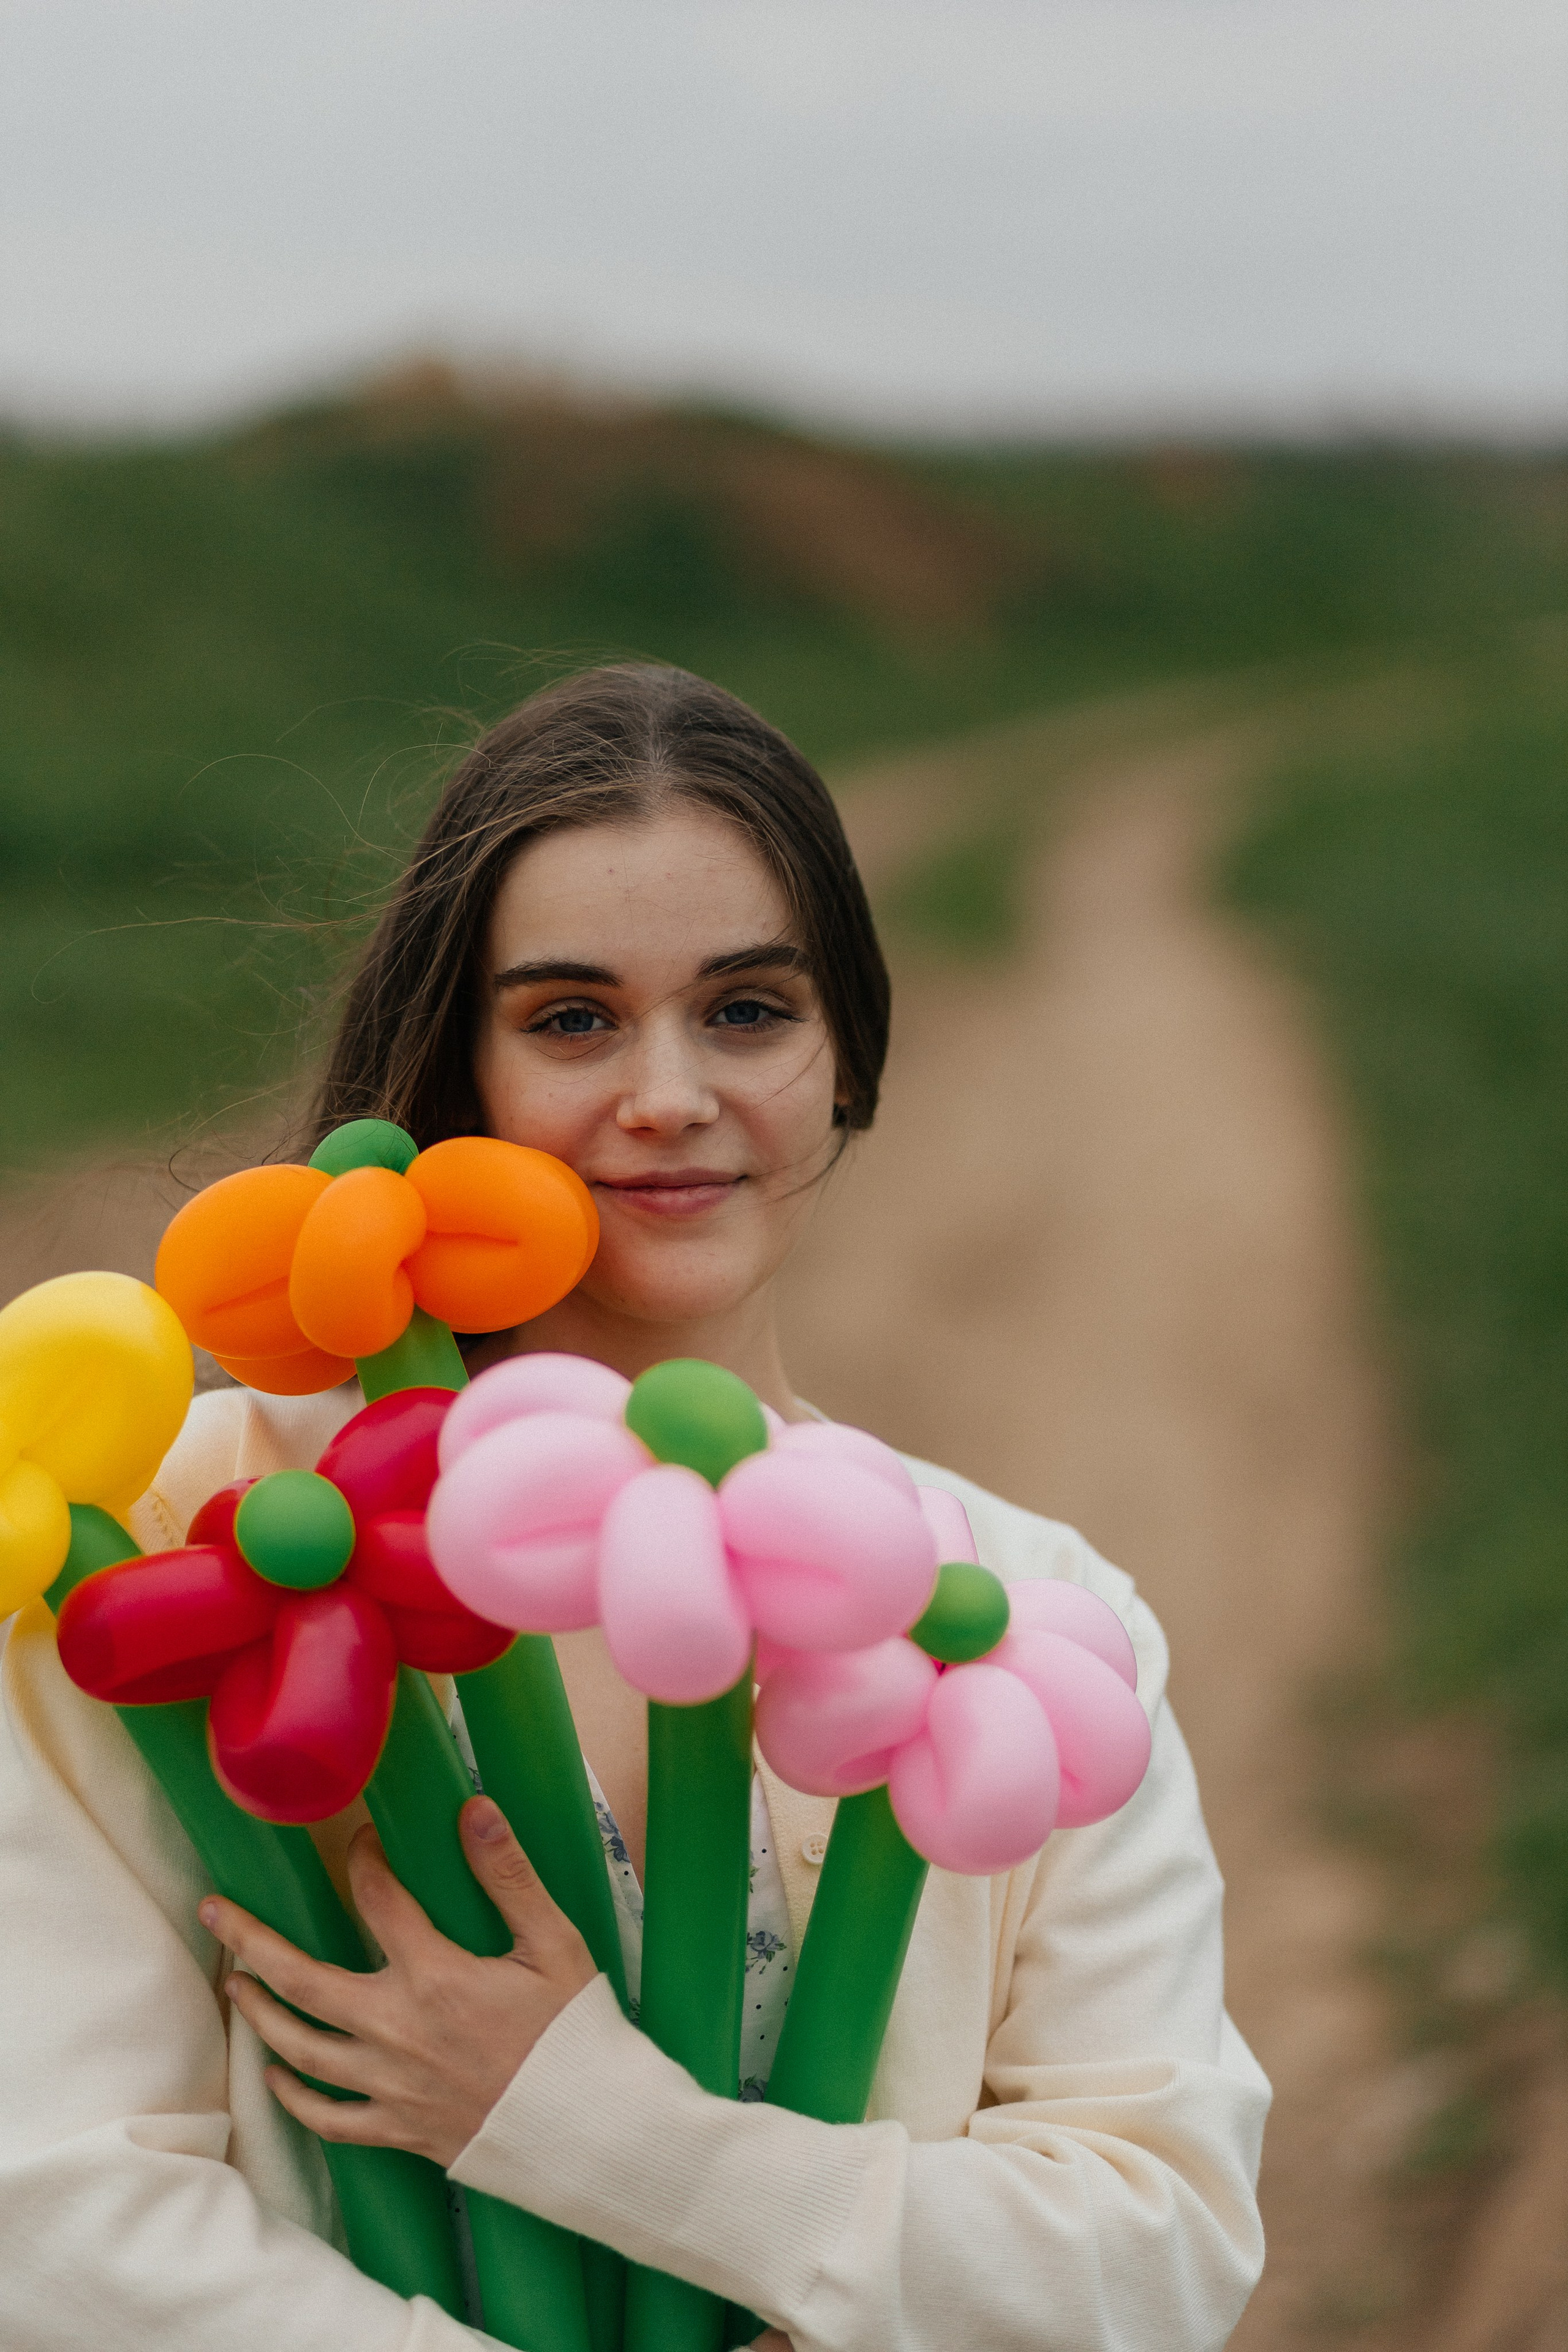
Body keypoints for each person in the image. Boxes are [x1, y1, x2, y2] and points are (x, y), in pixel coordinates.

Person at [0, 664, 1270, 2351]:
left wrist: (606, 2135)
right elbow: (63, 2219)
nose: (668, 1094)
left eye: (748, 1010)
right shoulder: (174, 1532)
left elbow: (1158, 2253)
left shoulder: (1021, 1616)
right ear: (460, 1068)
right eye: (572, 1019)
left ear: (847, 1058)